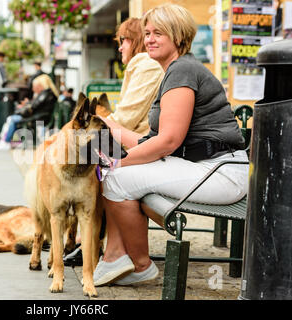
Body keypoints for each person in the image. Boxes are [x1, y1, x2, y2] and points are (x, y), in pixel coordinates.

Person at [93, 3, 248, 287]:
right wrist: (112, 129)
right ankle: (114, 255)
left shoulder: (182, 70)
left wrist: (117, 161)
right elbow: (151, 141)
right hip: (201, 167)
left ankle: (139, 264)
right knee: (104, 168)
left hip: (221, 172)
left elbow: (167, 141)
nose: (149, 39)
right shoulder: (174, 71)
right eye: (148, 32)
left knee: (114, 176)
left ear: (177, 36)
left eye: (158, 33)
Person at [64, 17, 165, 267]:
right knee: (90, 165)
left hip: (143, 147)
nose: (119, 47)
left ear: (134, 41)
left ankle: (98, 247)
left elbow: (127, 118)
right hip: (139, 143)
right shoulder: (142, 66)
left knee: (96, 171)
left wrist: (93, 127)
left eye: (123, 41)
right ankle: (91, 243)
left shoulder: (146, 65)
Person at [0, 74, 58, 151]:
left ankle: (6, 141)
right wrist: (28, 104)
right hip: (39, 116)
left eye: (36, 86)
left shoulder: (45, 94)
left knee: (12, 119)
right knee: (12, 119)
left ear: (42, 85)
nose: (34, 89)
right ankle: (8, 141)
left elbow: (34, 107)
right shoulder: (46, 94)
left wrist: (24, 108)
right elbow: (35, 105)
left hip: (39, 117)